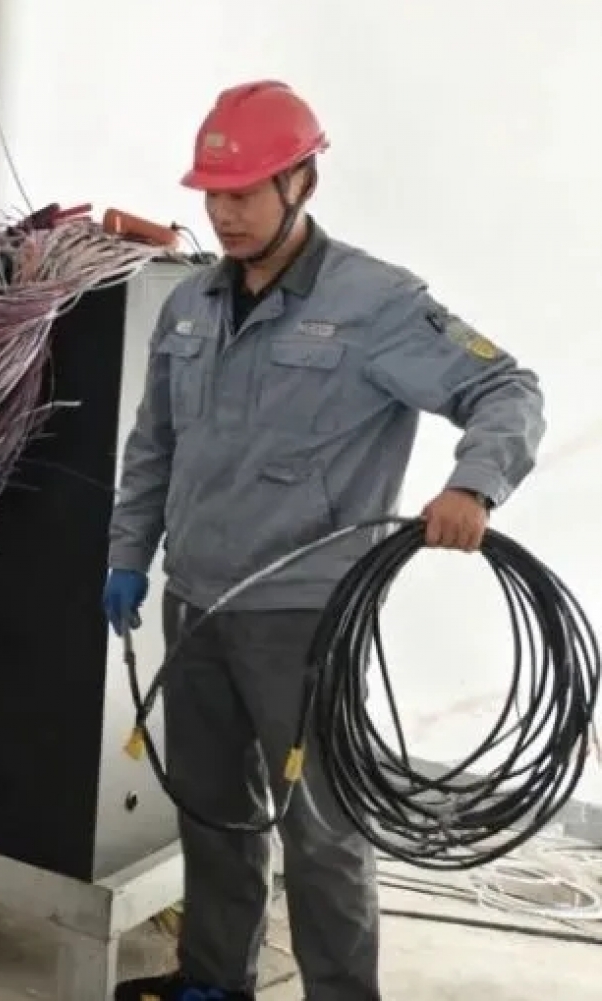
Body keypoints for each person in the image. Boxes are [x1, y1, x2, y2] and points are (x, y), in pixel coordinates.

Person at [104, 81, 546, 1001]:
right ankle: (214, 980)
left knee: (323, 833)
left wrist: (474, 483)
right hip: (197, 604)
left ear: (301, 181)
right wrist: (128, 553)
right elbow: (153, 445)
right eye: (213, 194)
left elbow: (506, 387)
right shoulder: (190, 305)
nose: (224, 214)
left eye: (244, 193)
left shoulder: (375, 303)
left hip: (304, 620)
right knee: (213, 815)